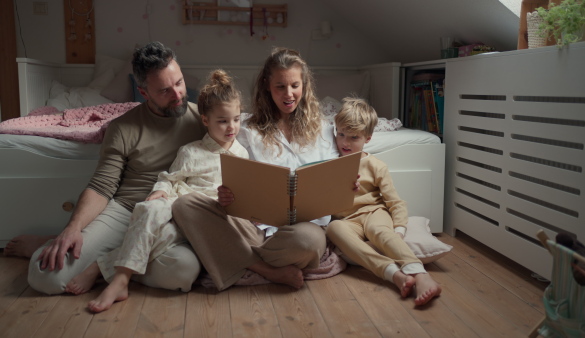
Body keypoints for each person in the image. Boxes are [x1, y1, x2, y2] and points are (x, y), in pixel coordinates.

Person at [14, 41, 204, 295]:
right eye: (164, 91)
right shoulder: (123, 128)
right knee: (44, 276)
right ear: (144, 93)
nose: (178, 95)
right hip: (127, 211)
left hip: (174, 216)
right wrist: (73, 228)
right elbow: (102, 186)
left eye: (179, 83)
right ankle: (103, 259)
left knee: (182, 272)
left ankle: (103, 269)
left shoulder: (205, 119)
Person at [76, 69, 248, 312]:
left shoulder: (242, 154)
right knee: (149, 208)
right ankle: (121, 281)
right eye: (222, 120)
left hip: (204, 216)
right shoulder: (191, 151)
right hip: (176, 200)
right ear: (205, 120)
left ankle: (103, 267)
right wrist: (161, 191)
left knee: (165, 235)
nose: (231, 127)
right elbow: (169, 178)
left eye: (237, 119)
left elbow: (242, 193)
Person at [171, 47, 340, 291]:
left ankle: (238, 259)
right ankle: (265, 269)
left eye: (295, 85)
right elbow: (236, 177)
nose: (289, 94)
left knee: (310, 240)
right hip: (255, 230)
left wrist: (345, 186)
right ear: (267, 86)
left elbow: (333, 178)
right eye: (280, 86)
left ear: (305, 85)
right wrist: (229, 196)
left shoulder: (324, 129)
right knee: (185, 205)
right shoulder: (247, 129)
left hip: (301, 232)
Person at [326, 97, 442, 306]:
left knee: (381, 232)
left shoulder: (376, 165)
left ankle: (420, 274)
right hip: (347, 220)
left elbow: (395, 202)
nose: (345, 142)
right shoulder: (330, 162)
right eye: (340, 134)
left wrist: (399, 229)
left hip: (373, 212)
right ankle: (393, 274)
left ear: (367, 138)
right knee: (334, 228)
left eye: (353, 137)